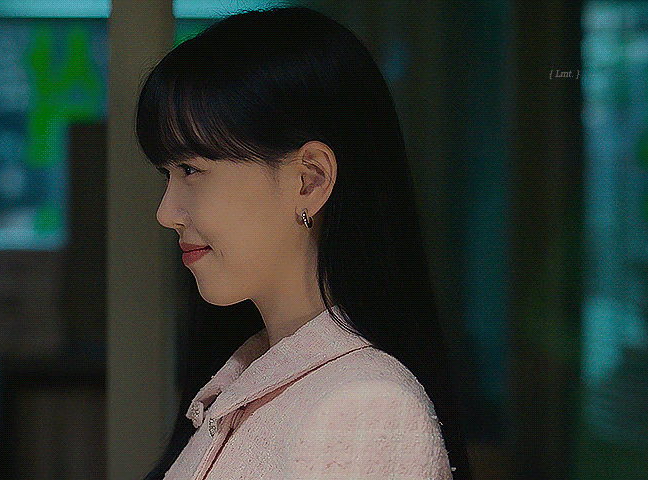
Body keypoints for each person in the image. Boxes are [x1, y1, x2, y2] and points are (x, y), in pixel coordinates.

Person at [135, 6, 472, 480]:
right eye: (167, 175)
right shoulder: (249, 381)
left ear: (309, 180)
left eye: (191, 170)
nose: (166, 212)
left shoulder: (365, 410)